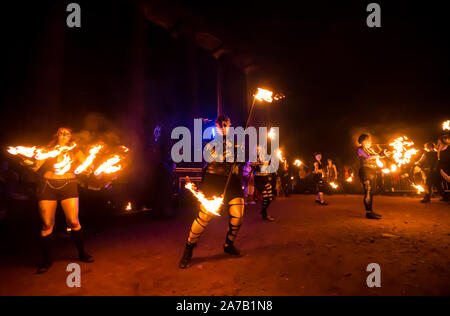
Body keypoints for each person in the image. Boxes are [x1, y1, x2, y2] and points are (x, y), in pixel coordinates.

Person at [179, 115, 245, 269]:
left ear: (230, 126)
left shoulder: (237, 144)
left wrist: (238, 158)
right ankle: (188, 248)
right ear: (216, 127)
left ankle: (228, 245)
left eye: (226, 124)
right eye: (220, 125)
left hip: (232, 182)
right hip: (213, 182)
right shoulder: (209, 143)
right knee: (203, 218)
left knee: (238, 216)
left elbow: (240, 162)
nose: (223, 127)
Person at [27, 127, 94, 274]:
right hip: (47, 186)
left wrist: (89, 169)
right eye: (61, 132)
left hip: (68, 185)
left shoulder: (75, 150)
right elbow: (36, 166)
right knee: (46, 224)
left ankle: (82, 253)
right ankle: (46, 261)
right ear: (56, 134)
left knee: (73, 221)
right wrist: (28, 163)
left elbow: (87, 165)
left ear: (71, 136)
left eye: (67, 133)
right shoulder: (48, 149)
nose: (64, 135)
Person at [357, 134, 382, 220]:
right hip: (365, 171)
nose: (370, 142)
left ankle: (370, 211)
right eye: (368, 140)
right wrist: (379, 155)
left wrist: (381, 155)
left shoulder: (370, 149)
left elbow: (377, 157)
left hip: (371, 171)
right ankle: (368, 213)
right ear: (363, 142)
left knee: (371, 192)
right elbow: (368, 157)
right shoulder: (360, 149)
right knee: (368, 191)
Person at [252, 147, 276, 221]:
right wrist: (257, 163)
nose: (259, 151)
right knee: (265, 196)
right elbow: (253, 166)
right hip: (258, 180)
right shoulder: (253, 159)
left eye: (260, 150)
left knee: (270, 197)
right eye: (258, 150)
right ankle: (264, 213)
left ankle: (263, 212)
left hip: (265, 179)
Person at [437, 135, 450, 201]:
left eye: (447, 138)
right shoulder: (440, 148)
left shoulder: (449, 147)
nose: (446, 140)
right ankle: (445, 196)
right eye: (444, 138)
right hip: (443, 166)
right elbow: (439, 158)